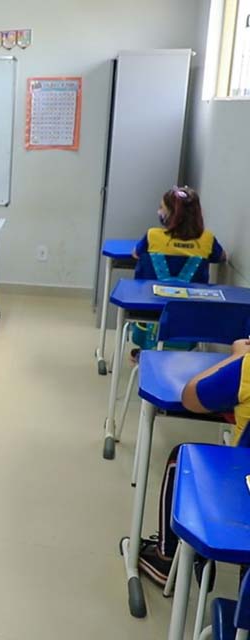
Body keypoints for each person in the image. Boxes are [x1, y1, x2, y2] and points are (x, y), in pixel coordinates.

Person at [135, 338, 250, 587]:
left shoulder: (246, 368)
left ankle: (165, 558)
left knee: (181, 458)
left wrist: (237, 356)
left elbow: (191, 397)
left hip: (242, 494)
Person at [130, 186, 226, 352]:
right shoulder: (207, 239)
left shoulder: (152, 235)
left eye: (162, 207)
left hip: (149, 311)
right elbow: (222, 257)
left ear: (170, 215)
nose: (158, 211)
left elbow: (136, 254)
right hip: (191, 316)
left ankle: (144, 350)